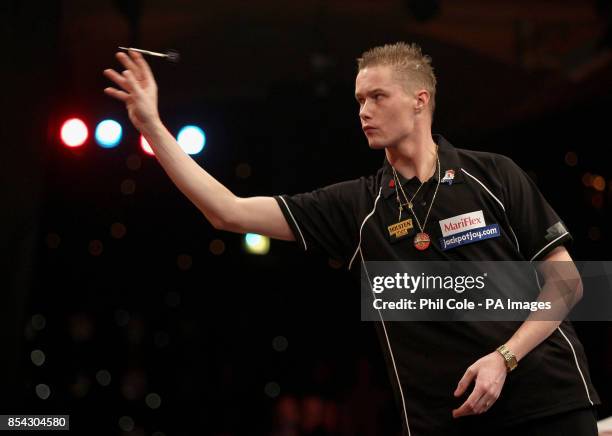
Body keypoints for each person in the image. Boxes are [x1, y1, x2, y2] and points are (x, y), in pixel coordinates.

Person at [103, 42, 601, 435]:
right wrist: (151, 125)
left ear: (419, 99)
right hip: (448, 422)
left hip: (547, 402)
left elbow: (568, 283)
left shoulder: (492, 174)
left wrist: (504, 358)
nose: (363, 110)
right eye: (359, 100)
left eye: (377, 97)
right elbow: (227, 212)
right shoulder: (359, 207)